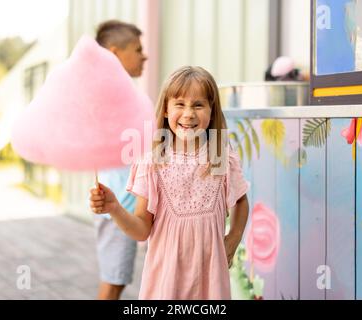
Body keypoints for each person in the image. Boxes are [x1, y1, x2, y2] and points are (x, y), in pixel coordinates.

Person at [89, 66, 250, 299]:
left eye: (198, 105)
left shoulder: (222, 156)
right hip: (166, 282)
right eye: (180, 104)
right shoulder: (152, 161)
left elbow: (241, 202)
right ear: (165, 109)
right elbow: (142, 229)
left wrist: (233, 238)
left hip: (210, 282)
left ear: (212, 110)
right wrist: (114, 208)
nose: (189, 114)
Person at [93, 19, 148, 300]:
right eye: (138, 49)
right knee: (114, 281)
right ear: (115, 54)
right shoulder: (109, 97)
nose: (144, 56)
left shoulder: (125, 96)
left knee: (120, 278)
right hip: (119, 202)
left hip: (133, 201)